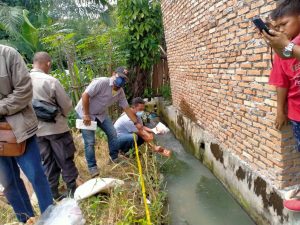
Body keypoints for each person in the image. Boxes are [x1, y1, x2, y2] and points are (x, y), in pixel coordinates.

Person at [0, 45, 53, 223]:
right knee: (8, 183)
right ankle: (26, 219)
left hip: (19, 129)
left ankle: (50, 218)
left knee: (36, 175)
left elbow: (24, 92)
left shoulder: (8, 54)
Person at [75, 67, 142, 177]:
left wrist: (136, 123)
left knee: (112, 133)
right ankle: (92, 167)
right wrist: (86, 114)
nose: (121, 80)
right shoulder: (102, 82)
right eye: (120, 77)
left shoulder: (120, 92)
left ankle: (114, 158)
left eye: (124, 79)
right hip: (85, 112)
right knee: (90, 141)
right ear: (114, 74)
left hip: (101, 114)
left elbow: (126, 108)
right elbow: (85, 95)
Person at [30, 52, 79, 200]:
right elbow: (66, 105)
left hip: (36, 131)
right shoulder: (50, 81)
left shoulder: (22, 80)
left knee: (48, 161)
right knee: (65, 159)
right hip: (56, 128)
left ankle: (53, 193)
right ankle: (72, 192)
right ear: (48, 63)